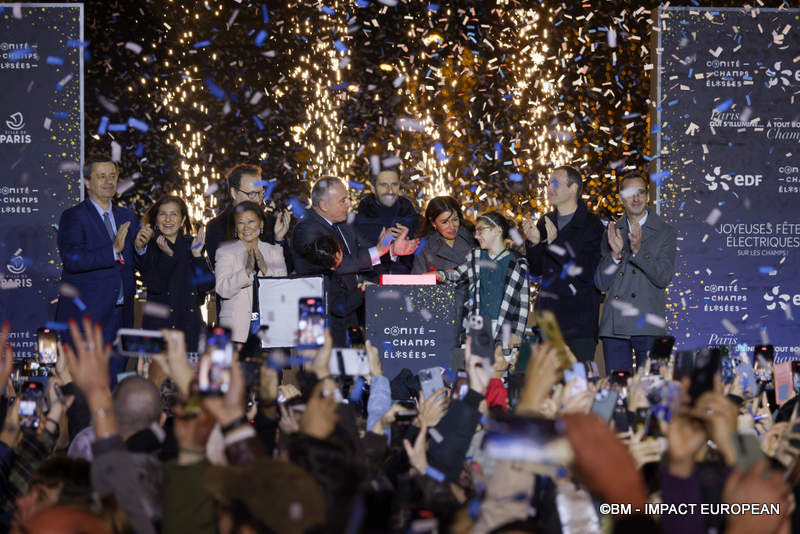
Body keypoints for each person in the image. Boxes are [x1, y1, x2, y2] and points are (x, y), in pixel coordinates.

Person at [55, 154, 152, 378]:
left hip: (121, 317)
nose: (109, 181)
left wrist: (139, 248)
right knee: (85, 388)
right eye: (101, 176)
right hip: (88, 319)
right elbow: (72, 259)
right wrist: (112, 250)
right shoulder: (73, 216)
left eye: (112, 175)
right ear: (88, 182)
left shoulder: (126, 215)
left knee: (114, 385)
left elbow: (135, 265)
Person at [291, 177, 419, 344]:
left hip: (348, 309)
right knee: (323, 368)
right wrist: (379, 250)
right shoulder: (306, 228)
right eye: (343, 200)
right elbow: (339, 263)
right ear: (323, 205)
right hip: (321, 317)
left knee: (349, 364)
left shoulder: (344, 223)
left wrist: (392, 249)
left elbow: (367, 251)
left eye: (348, 198)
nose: (348, 204)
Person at [594, 171, 677, 373]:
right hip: (615, 326)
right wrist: (614, 256)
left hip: (649, 324)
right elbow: (600, 283)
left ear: (648, 196)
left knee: (650, 392)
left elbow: (663, 278)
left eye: (641, 192)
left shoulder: (666, 232)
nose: (636, 198)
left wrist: (639, 251)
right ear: (621, 198)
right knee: (617, 390)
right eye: (630, 193)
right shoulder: (612, 231)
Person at [522, 166, 604, 363]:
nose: (549, 187)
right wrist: (533, 243)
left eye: (555, 183)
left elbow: (587, 272)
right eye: (548, 183)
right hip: (547, 322)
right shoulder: (546, 221)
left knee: (577, 386)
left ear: (574, 188)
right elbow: (537, 270)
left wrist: (557, 243)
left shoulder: (592, 225)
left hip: (578, 324)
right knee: (548, 390)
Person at [437, 212, 530, 347]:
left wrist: (518, 332)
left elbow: (524, 302)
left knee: (500, 365)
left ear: (497, 230)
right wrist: (440, 275)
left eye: (480, 231)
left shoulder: (518, 263)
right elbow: (457, 274)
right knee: (475, 366)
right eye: (475, 232)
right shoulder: (476, 257)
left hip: (504, 327)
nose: (476, 236)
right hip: (477, 326)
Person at [138, 196, 214, 352]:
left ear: (182, 219)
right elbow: (155, 285)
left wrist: (197, 256)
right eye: (163, 214)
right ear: (156, 218)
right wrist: (167, 256)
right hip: (158, 329)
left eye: (173, 214)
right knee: (157, 376)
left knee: (188, 376)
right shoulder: (148, 247)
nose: (168, 219)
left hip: (189, 327)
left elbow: (207, 284)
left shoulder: (192, 245)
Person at [215, 202, 288, 343]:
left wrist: (265, 268)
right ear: (236, 228)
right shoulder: (225, 252)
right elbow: (222, 289)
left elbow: (283, 289)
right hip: (236, 331)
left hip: (269, 328)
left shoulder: (273, 251)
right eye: (241, 223)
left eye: (251, 221)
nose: (246, 227)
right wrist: (246, 272)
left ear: (261, 224)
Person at [412, 196, 477, 341]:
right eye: (444, 222)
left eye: (455, 219)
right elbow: (416, 287)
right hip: (441, 318)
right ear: (433, 223)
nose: (452, 227)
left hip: (475, 316)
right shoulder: (425, 248)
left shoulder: (475, 239)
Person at [204, 163, 291, 271]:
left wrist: (279, 240)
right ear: (234, 193)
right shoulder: (216, 227)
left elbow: (288, 268)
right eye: (251, 194)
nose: (257, 200)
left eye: (260, 193)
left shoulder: (272, 222)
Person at [353, 155, 420, 277]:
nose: (390, 190)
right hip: (370, 289)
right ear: (373, 188)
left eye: (394, 184)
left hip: (409, 287)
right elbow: (355, 262)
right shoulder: (357, 223)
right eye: (384, 185)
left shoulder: (413, 219)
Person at [301, 235, 372, 346]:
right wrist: (361, 291)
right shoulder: (327, 279)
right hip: (334, 339)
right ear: (338, 255)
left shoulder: (313, 277)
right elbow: (340, 306)